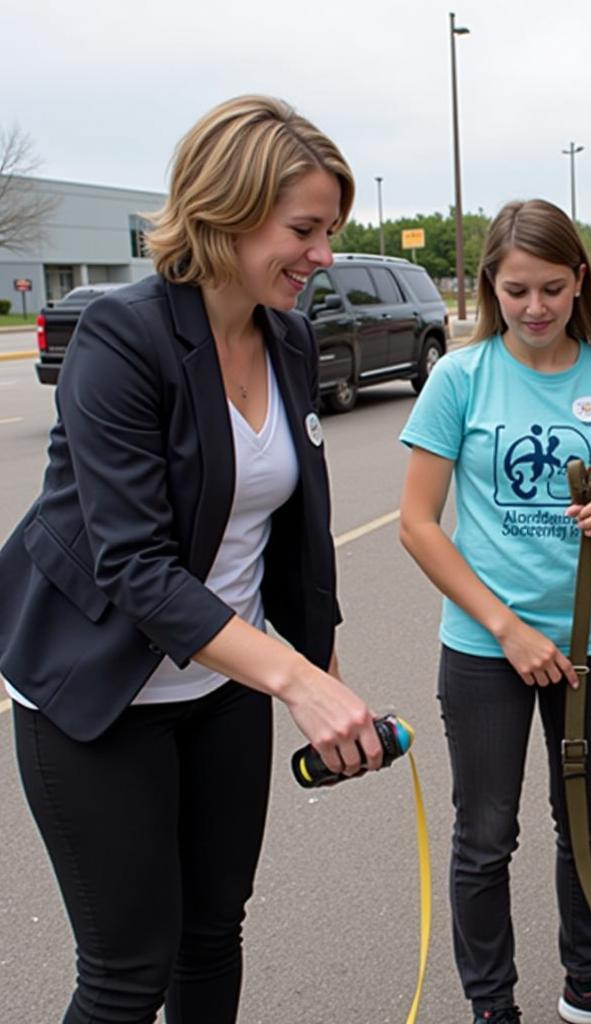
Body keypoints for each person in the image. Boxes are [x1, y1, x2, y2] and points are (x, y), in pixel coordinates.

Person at [0, 95, 386, 1023]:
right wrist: (298, 682)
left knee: (215, 935)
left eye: (331, 230)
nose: (323, 256)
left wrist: (321, 672)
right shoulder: (123, 338)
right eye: (303, 228)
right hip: (96, 696)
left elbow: (294, 537)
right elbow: (134, 564)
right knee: (129, 971)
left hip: (220, 689)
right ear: (225, 210)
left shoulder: (287, 336)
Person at [398, 199, 591, 1024]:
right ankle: (494, 1006)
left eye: (553, 288)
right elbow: (418, 525)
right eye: (516, 290)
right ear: (491, 284)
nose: (535, 308)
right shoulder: (460, 377)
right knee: (485, 836)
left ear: (580, 279)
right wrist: (507, 628)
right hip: (489, 647)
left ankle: (588, 984)